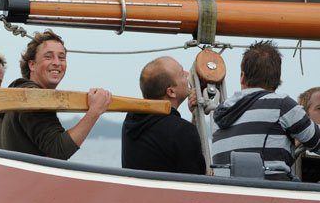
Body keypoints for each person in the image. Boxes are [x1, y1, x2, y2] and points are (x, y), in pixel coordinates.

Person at [0, 30, 111, 160]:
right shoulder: (33, 97)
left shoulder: (14, 98)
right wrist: (94, 111)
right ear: (32, 65)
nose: (57, 62)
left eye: (61, 57)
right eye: (48, 56)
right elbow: (59, 150)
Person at [212, 41, 320, 180]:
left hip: (227, 192)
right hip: (270, 192)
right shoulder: (282, 106)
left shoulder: (219, 114)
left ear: (242, 76)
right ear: (278, 80)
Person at [121, 57, 206, 174]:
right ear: (171, 92)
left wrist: (195, 116)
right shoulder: (182, 131)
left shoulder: (131, 122)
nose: (187, 74)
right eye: (182, 74)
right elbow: (198, 182)